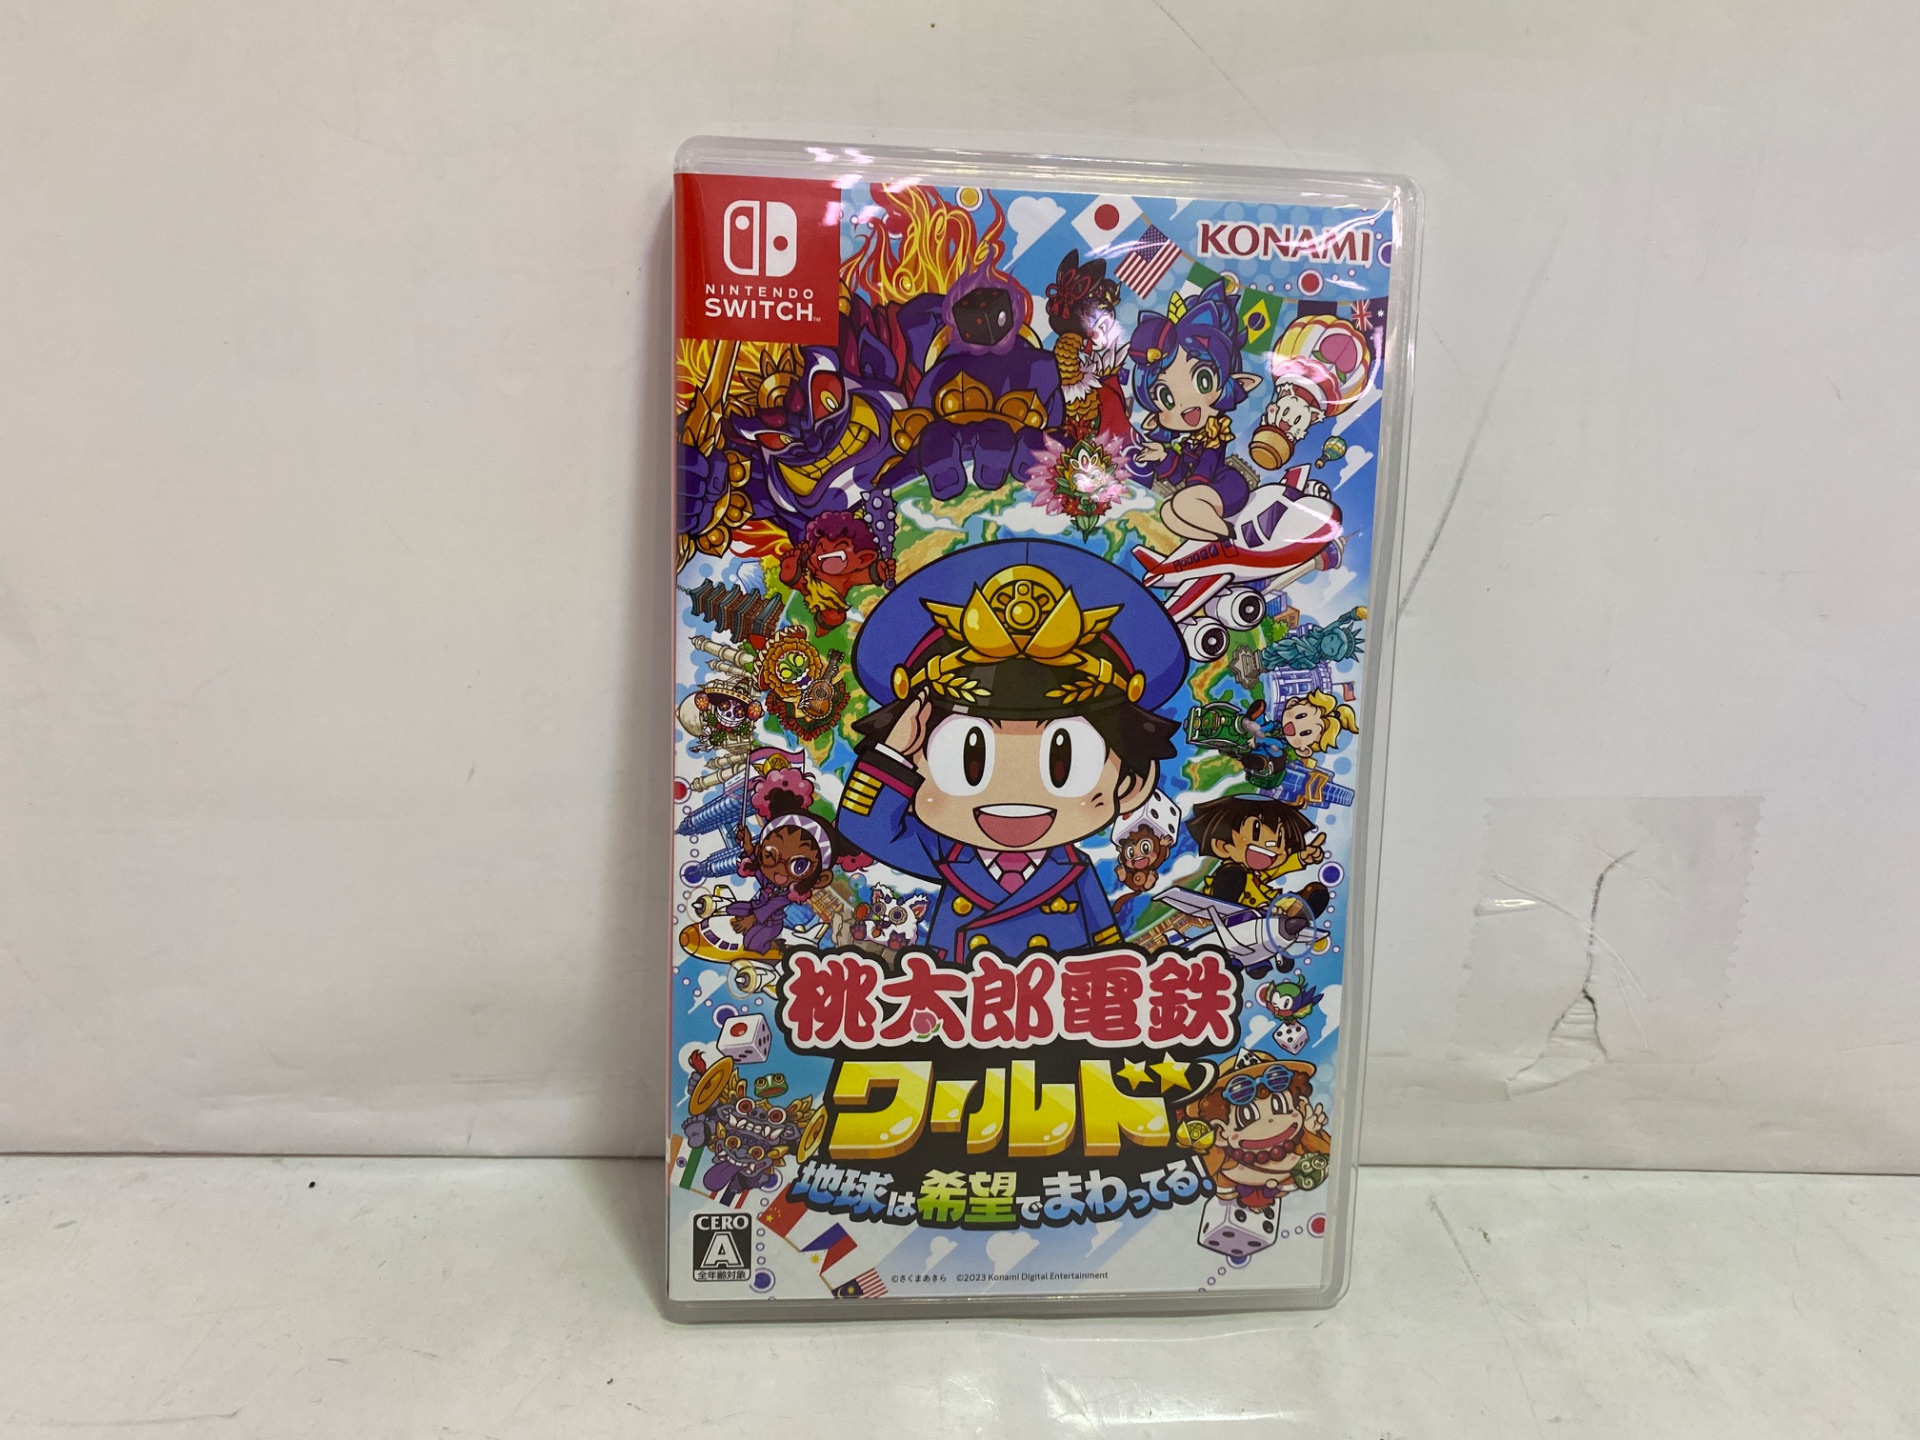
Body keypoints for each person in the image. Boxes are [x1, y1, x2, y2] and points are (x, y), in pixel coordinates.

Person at [836, 538, 1188, 960]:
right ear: (918, 758)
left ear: (1128, 781)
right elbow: (866, 827)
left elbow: (1110, 954)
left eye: (1065, 762)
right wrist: (891, 754)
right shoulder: (945, 853)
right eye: (968, 759)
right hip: (958, 996)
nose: (1014, 790)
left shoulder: (1074, 871)